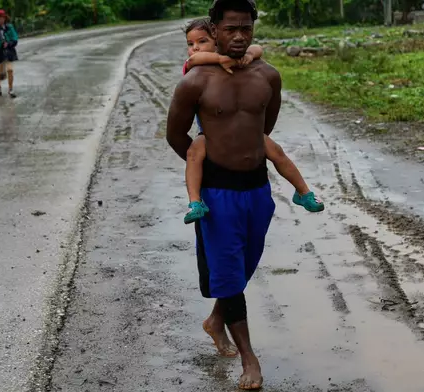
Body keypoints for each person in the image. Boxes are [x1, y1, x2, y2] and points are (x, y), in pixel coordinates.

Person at [167, 0, 287, 389]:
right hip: (218, 194)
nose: (239, 36)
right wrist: (205, 160)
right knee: (230, 276)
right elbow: (175, 135)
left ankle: (216, 319)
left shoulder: (268, 77)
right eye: (231, 28)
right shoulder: (195, 82)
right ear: (214, 31)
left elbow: (263, 128)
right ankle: (250, 360)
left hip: (257, 188)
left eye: (246, 28)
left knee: (245, 265)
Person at [181, 18, 324, 224]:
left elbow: (258, 48)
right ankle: (195, 202)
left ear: (217, 39)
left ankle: (303, 192)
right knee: (194, 153)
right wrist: (220, 59)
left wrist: (248, 54)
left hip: (248, 133)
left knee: (277, 152)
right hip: (212, 135)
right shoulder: (195, 68)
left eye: (201, 42)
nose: (195, 48)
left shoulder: (237, 61)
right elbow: (195, 60)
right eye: (190, 44)